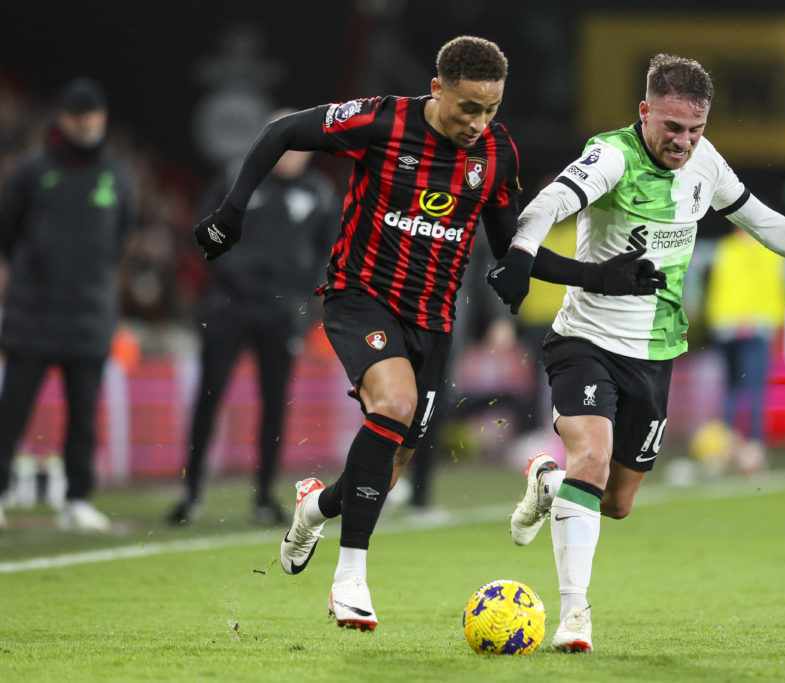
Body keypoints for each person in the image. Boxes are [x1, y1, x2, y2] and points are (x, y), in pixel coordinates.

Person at [191, 36, 665, 631]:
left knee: (388, 464)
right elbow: (280, 132)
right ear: (437, 89)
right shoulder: (382, 120)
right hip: (360, 297)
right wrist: (232, 211)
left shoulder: (495, 153)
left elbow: (511, 249)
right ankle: (350, 581)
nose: (479, 122)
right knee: (393, 404)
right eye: (468, 107)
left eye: (490, 109)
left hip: (433, 319)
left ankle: (316, 507)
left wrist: (601, 276)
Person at [486, 54, 785, 652]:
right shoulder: (611, 155)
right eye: (672, 127)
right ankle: (575, 616)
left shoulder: (705, 164)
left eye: (695, 129)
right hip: (585, 339)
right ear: (645, 112)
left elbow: (764, 222)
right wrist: (523, 254)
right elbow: (549, 203)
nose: (683, 141)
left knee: (618, 502)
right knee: (594, 457)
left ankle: (547, 481)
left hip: (656, 351)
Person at [168, 118, 340, 526]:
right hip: (228, 305)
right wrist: (226, 274)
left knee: (275, 404)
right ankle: (190, 494)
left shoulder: (319, 193)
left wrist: (305, 300)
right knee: (208, 397)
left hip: (280, 313)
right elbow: (202, 230)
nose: (294, 153)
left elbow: (329, 250)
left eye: (303, 145)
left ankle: (264, 495)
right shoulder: (235, 177)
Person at [0, 78, 135, 531]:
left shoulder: (117, 175)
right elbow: (7, 230)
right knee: (11, 413)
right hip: (32, 314)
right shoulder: (32, 171)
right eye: (80, 115)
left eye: (95, 115)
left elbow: (120, 238)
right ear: (62, 118)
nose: (88, 123)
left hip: (89, 316)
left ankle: (77, 500)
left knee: (83, 418)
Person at [704, 225, 785, 473]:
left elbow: (716, 287)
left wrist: (716, 321)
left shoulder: (725, 248)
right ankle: (753, 448)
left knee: (731, 388)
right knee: (754, 390)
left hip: (728, 326)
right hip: (756, 326)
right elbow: (778, 288)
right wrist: (777, 319)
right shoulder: (770, 251)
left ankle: (729, 448)